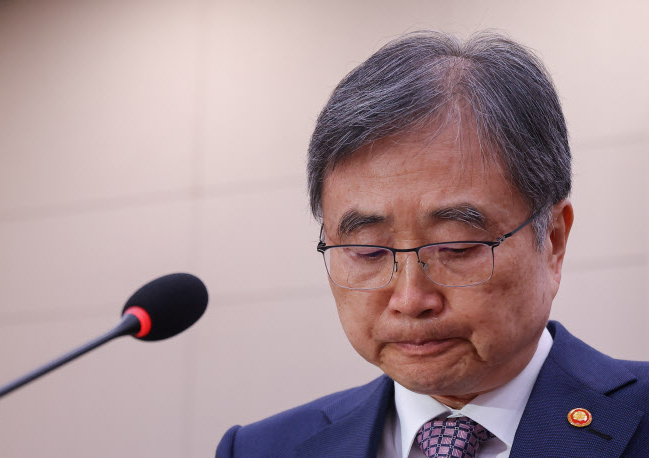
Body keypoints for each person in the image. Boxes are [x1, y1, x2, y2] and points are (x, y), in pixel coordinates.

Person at [216, 30, 649, 457]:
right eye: (368, 251)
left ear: (552, 241)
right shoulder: (259, 449)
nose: (410, 300)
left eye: (455, 248)